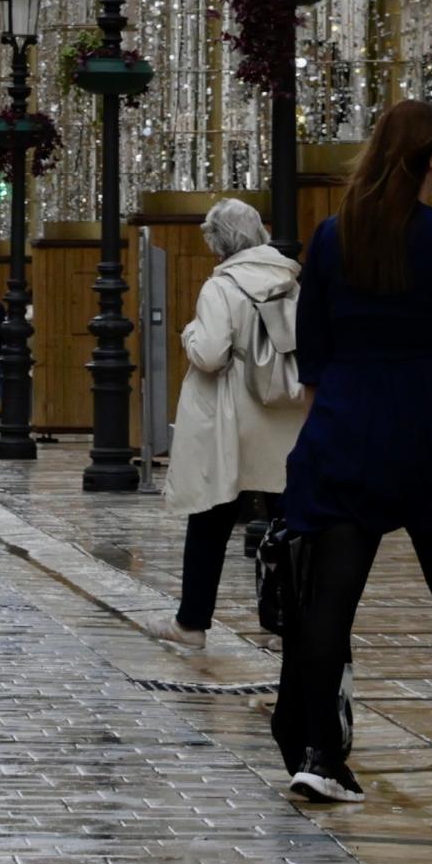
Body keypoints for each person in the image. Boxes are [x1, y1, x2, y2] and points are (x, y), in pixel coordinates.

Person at [266, 99, 432, 805]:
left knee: (332, 601)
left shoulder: (332, 234)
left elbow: (313, 347)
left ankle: (322, 753)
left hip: (350, 424)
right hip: (429, 428)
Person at [157, 195, 306, 631]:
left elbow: (209, 353)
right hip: (283, 417)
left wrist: (189, 332)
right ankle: (293, 630)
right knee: (292, 529)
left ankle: (192, 624)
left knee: (210, 521)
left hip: (230, 420)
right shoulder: (290, 281)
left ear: (219, 244)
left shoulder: (222, 286)